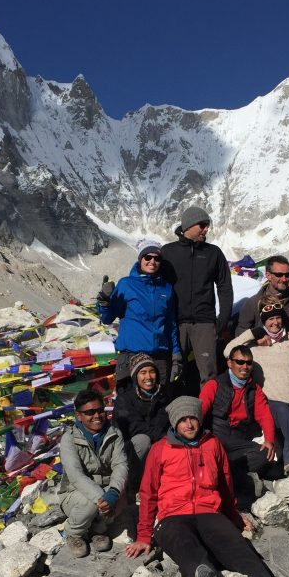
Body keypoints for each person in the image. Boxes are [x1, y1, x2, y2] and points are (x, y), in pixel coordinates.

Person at [125, 396, 289, 577]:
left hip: (209, 512)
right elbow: (148, 493)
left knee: (238, 549)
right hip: (172, 517)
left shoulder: (212, 444)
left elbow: (225, 485)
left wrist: (233, 517)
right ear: (174, 423)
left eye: (193, 418)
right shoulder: (159, 449)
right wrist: (144, 535)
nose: (189, 425)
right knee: (186, 545)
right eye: (183, 420)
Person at [226, 294, 289, 477]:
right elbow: (227, 351)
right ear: (264, 322)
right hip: (273, 399)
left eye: (278, 318)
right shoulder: (255, 348)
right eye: (270, 319)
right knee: (284, 412)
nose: (275, 322)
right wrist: (252, 334)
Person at [160, 206, 234, 384]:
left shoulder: (213, 253)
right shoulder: (168, 252)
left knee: (209, 375)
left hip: (205, 324)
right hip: (175, 323)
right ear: (188, 226)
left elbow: (224, 286)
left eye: (207, 225)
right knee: (172, 373)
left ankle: (209, 412)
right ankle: (172, 411)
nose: (206, 229)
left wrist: (223, 318)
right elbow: (156, 285)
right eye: (202, 225)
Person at [97, 239, 182, 383]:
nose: (152, 261)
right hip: (131, 355)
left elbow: (171, 324)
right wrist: (104, 301)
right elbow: (107, 318)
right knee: (127, 401)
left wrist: (176, 354)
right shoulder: (126, 284)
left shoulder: (166, 288)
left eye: (157, 258)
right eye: (147, 257)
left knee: (158, 402)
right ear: (140, 259)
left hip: (159, 357)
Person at [57, 389, 129, 558]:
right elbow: (75, 476)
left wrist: (114, 492)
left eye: (100, 410)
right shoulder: (69, 439)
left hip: (106, 489)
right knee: (91, 504)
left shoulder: (114, 433)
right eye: (90, 412)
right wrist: (102, 498)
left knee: (121, 499)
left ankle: (98, 530)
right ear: (78, 416)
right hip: (75, 493)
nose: (97, 415)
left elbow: (120, 465)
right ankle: (74, 533)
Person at [199, 345, 276, 482]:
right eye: (240, 362)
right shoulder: (214, 384)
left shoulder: (254, 388)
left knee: (265, 454)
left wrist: (269, 440)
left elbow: (264, 415)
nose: (245, 367)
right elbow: (200, 410)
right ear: (230, 363)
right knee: (210, 455)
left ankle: (228, 472)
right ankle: (239, 476)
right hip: (217, 436)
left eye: (248, 363)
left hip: (240, 439)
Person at [112, 353, 170, 490]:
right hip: (131, 450)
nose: (148, 377)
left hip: (159, 443)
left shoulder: (164, 396)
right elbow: (134, 427)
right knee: (142, 440)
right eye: (143, 372)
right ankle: (135, 485)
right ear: (135, 376)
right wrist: (161, 439)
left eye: (151, 372)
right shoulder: (125, 399)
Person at [235, 255, 289, 340]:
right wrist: (256, 340)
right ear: (268, 275)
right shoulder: (253, 302)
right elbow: (240, 331)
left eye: (287, 275)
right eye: (279, 275)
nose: (284, 279)